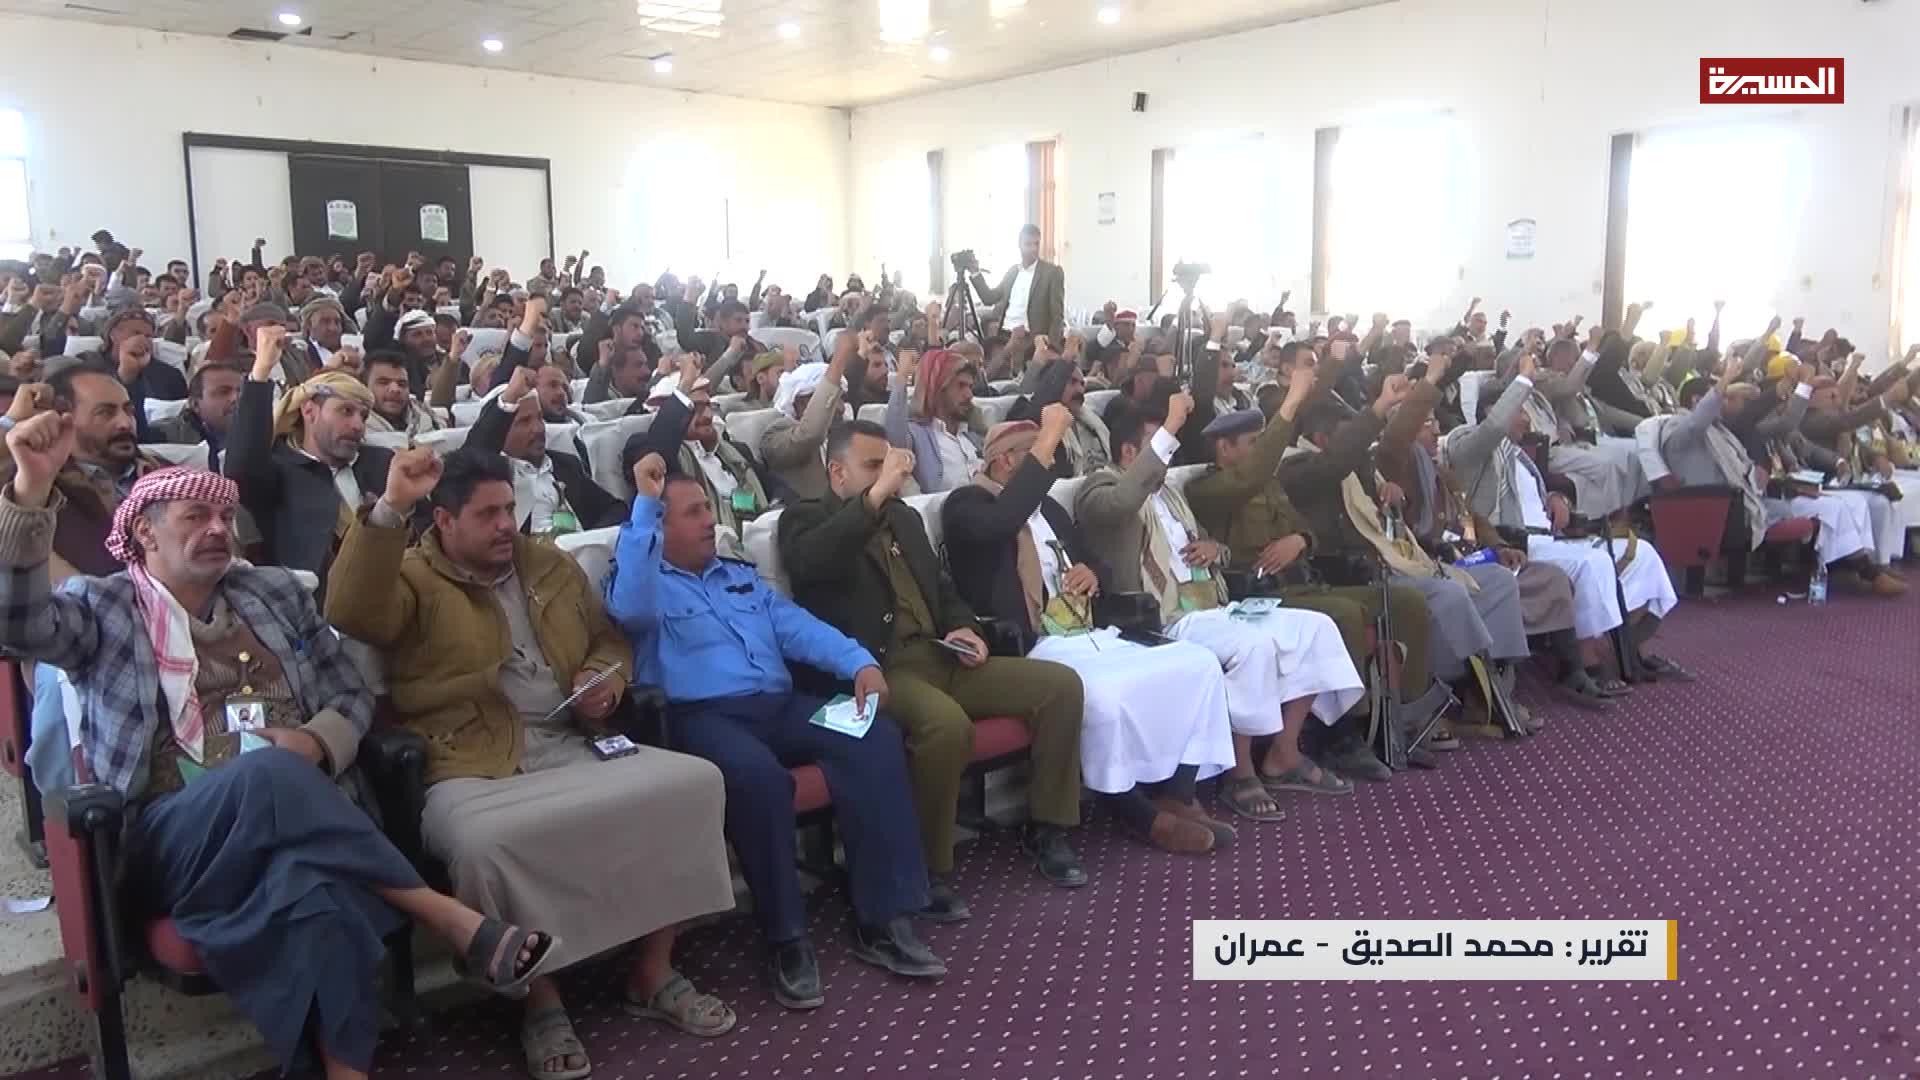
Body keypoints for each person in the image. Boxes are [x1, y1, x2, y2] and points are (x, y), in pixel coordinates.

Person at [0, 444, 557, 1080]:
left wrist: (317, 744)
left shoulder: (272, 594)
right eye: (194, 517)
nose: (217, 529)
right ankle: (441, 912)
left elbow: (350, 695)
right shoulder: (103, 607)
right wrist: (29, 491)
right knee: (264, 769)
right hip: (174, 835)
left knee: (313, 895)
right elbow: (18, 628)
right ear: (145, 534)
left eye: (224, 517)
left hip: (299, 827)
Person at [327, 447, 736, 1080]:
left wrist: (604, 678)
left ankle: (653, 970)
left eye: (509, 510)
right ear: (444, 521)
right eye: (487, 514)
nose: (504, 526)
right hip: (469, 760)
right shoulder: (410, 577)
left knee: (695, 783)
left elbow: (609, 640)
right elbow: (350, 611)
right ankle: (539, 1000)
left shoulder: (547, 563)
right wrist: (389, 509)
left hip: (573, 740)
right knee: (488, 844)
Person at [606, 453, 943, 1010]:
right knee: (759, 779)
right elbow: (630, 607)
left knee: (873, 735)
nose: (709, 521)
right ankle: (787, 937)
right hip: (704, 719)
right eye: (692, 513)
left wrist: (859, 663)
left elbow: (797, 628)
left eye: (708, 509)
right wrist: (644, 503)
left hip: (780, 707)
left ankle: (885, 918)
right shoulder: (643, 585)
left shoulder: (738, 577)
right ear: (659, 527)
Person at [779, 420, 1089, 905]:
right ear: (837, 473)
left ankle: (1047, 828)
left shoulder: (903, 517)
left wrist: (966, 628)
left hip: (941, 654)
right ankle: (925, 865)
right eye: (873, 465)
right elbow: (815, 561)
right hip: (878, 670)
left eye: (888, 464)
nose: (889, 475)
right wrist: (874, 497)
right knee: (945, 726)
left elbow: (941, 588)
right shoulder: (804, 520)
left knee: (1060, 686)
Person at [943, 410, 1239, 853]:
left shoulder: (1048, 508)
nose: (1050, 463)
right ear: (1005, 461)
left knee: (1198, 665)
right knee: (1104, 694)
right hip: (1035, 643)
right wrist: (1049, 434)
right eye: (1039, 454)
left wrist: (1091, 573)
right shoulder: (967, 505)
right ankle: (1138, 815)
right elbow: (1003, 521)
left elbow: (1093, 559)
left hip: (1091, 631)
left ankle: (1177, 793)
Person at [1445, 357, 1687, 681]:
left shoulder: (1518, 455)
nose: (1527, 420)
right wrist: (1524, 379)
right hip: (1519, 544)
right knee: (1593, 564)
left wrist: (1558, 498)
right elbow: (1490, 432)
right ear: (1494, 411)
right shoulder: (1467, 444)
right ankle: (1586, 662)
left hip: (1554, 538)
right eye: (1520, 411)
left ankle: (1634, 650)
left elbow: (1533, 496)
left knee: (1643, 553)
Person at [223, 326, 392, 585]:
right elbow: (241, 469)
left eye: (364, 416)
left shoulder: (382, 463)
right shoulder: (278, 471)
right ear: (309, 411)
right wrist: (261, 372)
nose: (358, 425)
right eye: (346, 411)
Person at [0, 366, 170, 579]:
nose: (125, 423)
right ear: (62, 417)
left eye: (128, 411)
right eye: (105, 413)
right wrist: (10, 423)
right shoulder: (33, 485)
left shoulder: (167, 474)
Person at [467, 365, 623, 537]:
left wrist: (585, 542)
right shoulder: (490, 478)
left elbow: (615, 510)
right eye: (524, 421)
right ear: (500, 430)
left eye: (540, 418)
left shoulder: (565, 464)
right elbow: (471, 455)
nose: (538, 428)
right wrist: (510, 397)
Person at [632, 362, 770, 554]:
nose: (707, 415)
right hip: (712, 549)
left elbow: (776, 488)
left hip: (762, 538)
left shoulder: (735, 451)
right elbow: (661, 443)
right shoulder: (648, 449)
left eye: (708, 406)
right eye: (694, 408)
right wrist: (685, 383)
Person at [759, 333, 853, 501]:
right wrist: (839, 358)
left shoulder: (840, 434)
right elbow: (810, 434)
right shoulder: (774, 436)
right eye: (833, 400)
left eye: (842, 399)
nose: (841, 408)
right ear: (802, 402)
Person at [885, 347, 983, 493]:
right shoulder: (916, 435)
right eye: (961, 386)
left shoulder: (972, 435)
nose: (969, 395)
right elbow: (894, 437)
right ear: (938, 388)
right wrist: (902, 376)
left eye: (970, 387)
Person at [968, 225, 1065, 342]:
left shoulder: (1051, 273)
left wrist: (1051, 346)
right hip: (1004, 334)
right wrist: (975, 272)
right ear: (1019, 244)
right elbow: (989, 298)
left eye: (1037, 244)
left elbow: (1057, 316)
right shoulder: (1013, 272)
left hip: (1029, 339)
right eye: (1028, 244)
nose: (1033, 249)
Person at [148, 362, 245, 468]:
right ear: (195, 404)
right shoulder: (165, 437)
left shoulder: (256, 432)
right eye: (223, 392)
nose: (235, 398)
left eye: (242, 391)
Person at [362, 350, 450, 437]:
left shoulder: (427, 417)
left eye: (402, 384)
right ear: (364, 386)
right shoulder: (358, 430)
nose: (395, 389)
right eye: (383, 382)